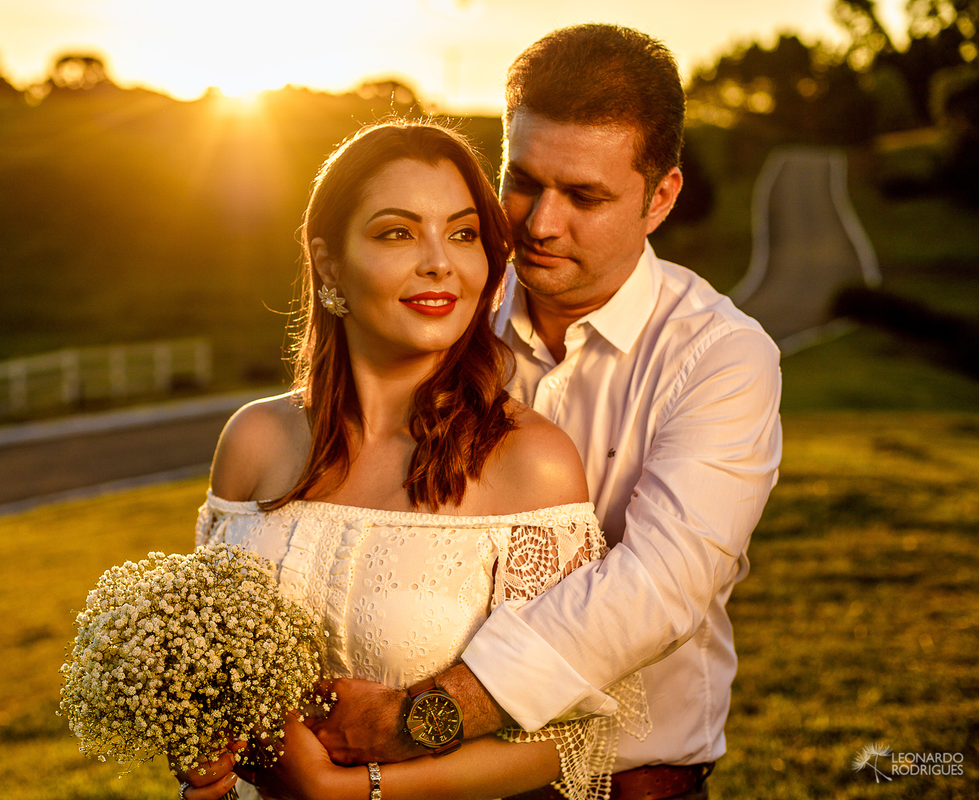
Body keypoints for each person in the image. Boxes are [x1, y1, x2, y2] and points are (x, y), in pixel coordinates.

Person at [307, 24, 783, 800]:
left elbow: (660, 586)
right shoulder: (444, 300)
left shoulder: (722, 357)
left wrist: (422, 716)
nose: (538, 224)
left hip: (626, 783)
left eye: (586, 196)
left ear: (660, 197)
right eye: (522, 180)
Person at [176, 120, 648, 800]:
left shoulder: (529, 461)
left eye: (462, 234)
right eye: (397, 232)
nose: (439, 262)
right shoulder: (254, 440)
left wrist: (352, 792)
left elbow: (566, 739)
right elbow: (208, 682)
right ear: (330, 263)